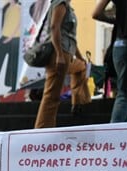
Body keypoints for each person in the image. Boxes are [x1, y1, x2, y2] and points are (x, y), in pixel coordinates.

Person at [34, 0, 91, 128]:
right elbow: (55, 27)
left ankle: (78, 103)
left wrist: (81, 58)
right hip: (59, 53)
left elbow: (70, 37)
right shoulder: (60, 3)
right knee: (51, 96)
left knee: (81, 67)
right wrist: (59, 54)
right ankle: (42, 130)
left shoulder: (67, 6)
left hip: (67, 52)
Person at [0, 0, 22, 95]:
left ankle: (13, 87)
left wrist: (10, 37)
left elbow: (20, 24)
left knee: (13, 64)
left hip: (15, 39)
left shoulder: (19, 8)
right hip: (4, 36)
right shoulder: (7, 7)